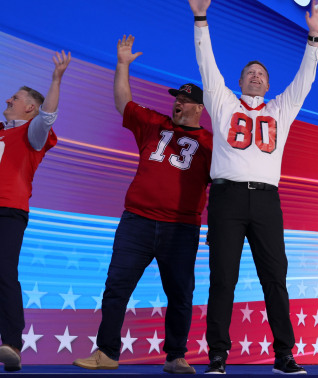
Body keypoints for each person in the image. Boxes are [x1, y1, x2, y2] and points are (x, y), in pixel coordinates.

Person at [189, 0, 318, 374]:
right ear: (238, 81)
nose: (255, 75)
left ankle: (284, 354)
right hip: (227, 197)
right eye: (249, 72)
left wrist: (314, 37)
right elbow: (207, 66)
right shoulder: (220, 103)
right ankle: (217, 354)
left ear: (268, 83)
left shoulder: (280, 109)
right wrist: (201, 20)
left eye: (260, 73)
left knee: (275, 279)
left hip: (267, 200)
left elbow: (304, 81)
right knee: (223, 279)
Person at [72, 35, 212, 374]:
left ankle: (176, 355)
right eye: (176, 98)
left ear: (198, 108)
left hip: (182, 228)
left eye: (184, 99)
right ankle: (106, 353)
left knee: (180, 294)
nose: (177, 102)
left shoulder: (211, 143)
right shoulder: (153, 124)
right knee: (116, 287)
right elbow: (124, 103)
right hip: (137, 221)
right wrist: (122, 65)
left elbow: (223, 185)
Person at [0, 50, 70, 373]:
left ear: (29, 106)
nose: (8, 99)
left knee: (3, 273)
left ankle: (12, 344)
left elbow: (48, 116)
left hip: (8, 211)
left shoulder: (32, 133)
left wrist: (56, 79)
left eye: (14, 97)